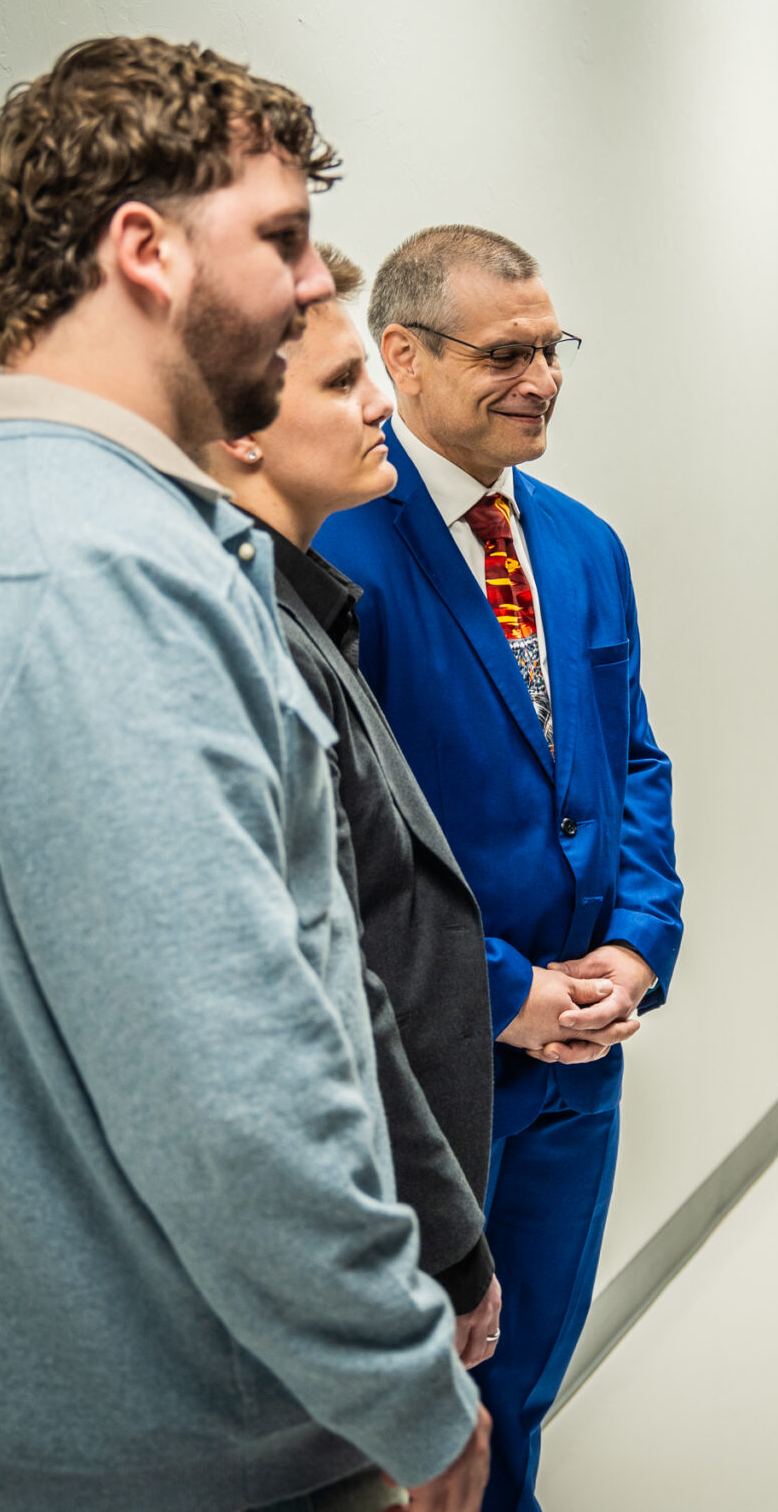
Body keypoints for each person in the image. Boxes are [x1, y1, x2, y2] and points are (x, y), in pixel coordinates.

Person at [0, 37, 490, 1512]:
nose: (314, 286)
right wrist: (409, 1385)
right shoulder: (111, 572)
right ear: (145, 250)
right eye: (284, 241)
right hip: (194, 1435)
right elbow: (240, 1084)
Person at [317, 224, 684, 1512]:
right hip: (434, 1075)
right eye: (506, 352)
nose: (541, 377)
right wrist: (506, 991)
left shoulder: (582, 546)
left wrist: (636, 947)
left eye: (552, 348)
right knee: (420, 1422)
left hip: (584, 1062)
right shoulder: (334, 554)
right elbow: (336, 851)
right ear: (401, 358)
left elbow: (633, 761)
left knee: (521, 1382)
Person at [202, 242, 506, 1378]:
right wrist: (448, 1247)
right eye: (340, 382)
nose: (383, 400)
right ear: (237, 424)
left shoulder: (300, 607)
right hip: (362, 1239)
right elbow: (325, 988)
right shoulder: (246, 642)